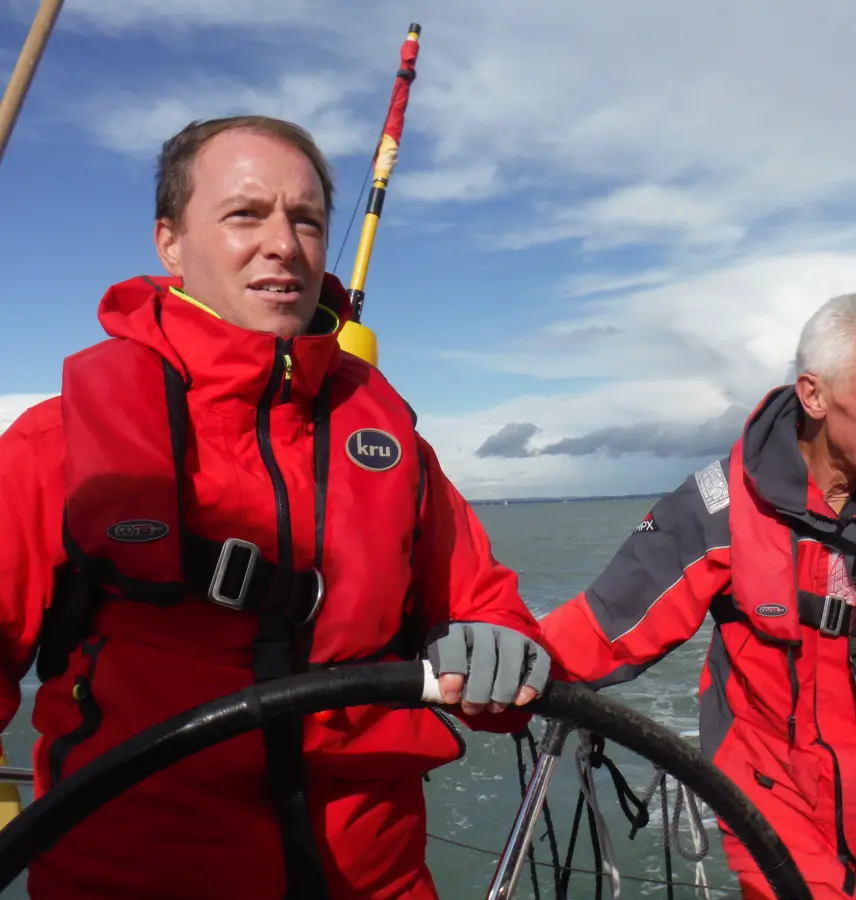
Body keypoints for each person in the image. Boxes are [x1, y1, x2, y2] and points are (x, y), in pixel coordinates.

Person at [0, 115, 551, 900]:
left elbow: (486, 605)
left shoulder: (394, 448)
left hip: (379, 881)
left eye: (306, 220)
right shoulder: (61, 443)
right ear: (170, 243)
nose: (283, 245)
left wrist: (501, 647)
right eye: (244, 215)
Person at [538, 293, 856, 900]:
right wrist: (496, 662)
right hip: (786, 834)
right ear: (814, 395)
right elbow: (606, 627)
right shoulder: (718, 507)